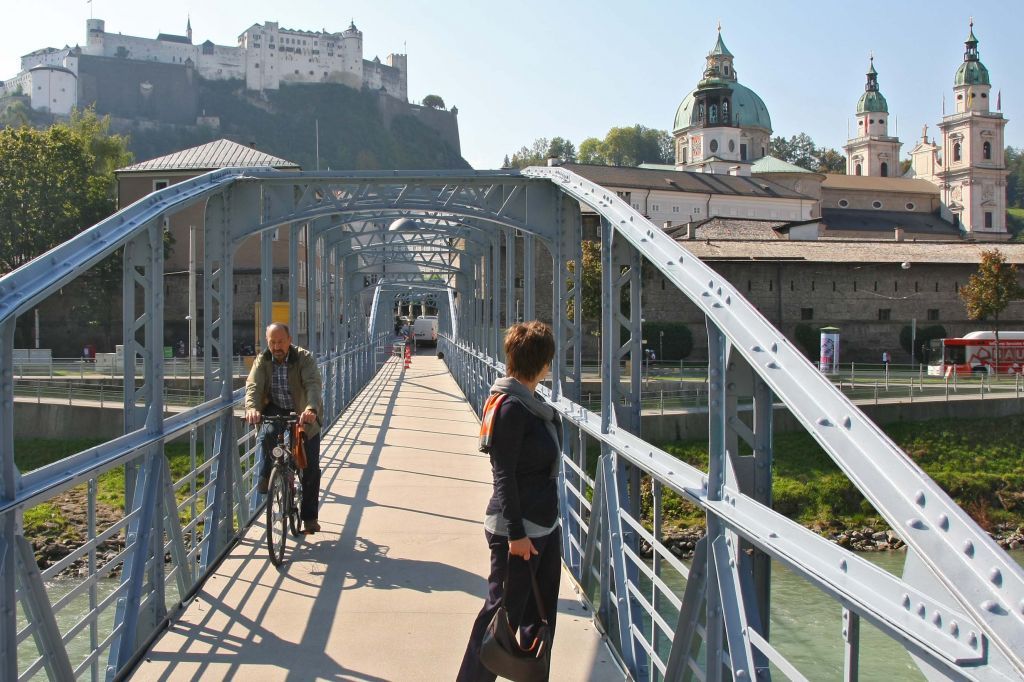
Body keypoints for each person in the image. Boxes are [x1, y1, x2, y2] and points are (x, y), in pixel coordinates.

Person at [457, 321, 562, 681]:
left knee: (540, 620)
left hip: (545, 526)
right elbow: (504, 475)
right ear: (543, 364)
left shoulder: (534, 404)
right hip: (516, 533)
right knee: (499, 621)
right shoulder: (511, 409)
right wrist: (516, 534)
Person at [245, 323, 324, 534]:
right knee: (267, 435)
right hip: (276, 407)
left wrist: (311, 408)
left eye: (281, 341)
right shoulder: (263, 360)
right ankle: (268, 475)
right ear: (267, 341)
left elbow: (313, 385)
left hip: (302, 410)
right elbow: (253, 386)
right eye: (272, 342)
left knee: (310, 467)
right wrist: (252, 408)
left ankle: (309, 517)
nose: (276, 346)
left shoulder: (304, 358)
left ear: (290, 340)